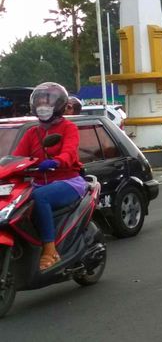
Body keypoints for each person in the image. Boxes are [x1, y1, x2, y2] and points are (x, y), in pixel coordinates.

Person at [12, 82, 86, 271]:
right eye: (40, 101)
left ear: (59, 104)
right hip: (38, 182)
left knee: (40, 196)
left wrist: (56, 161)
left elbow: (69, 153)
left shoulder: (69, 128)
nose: (43, 105)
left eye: (48, 101)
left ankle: (50, 248)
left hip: (68, 181)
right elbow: (17, 158)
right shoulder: (31, 133)